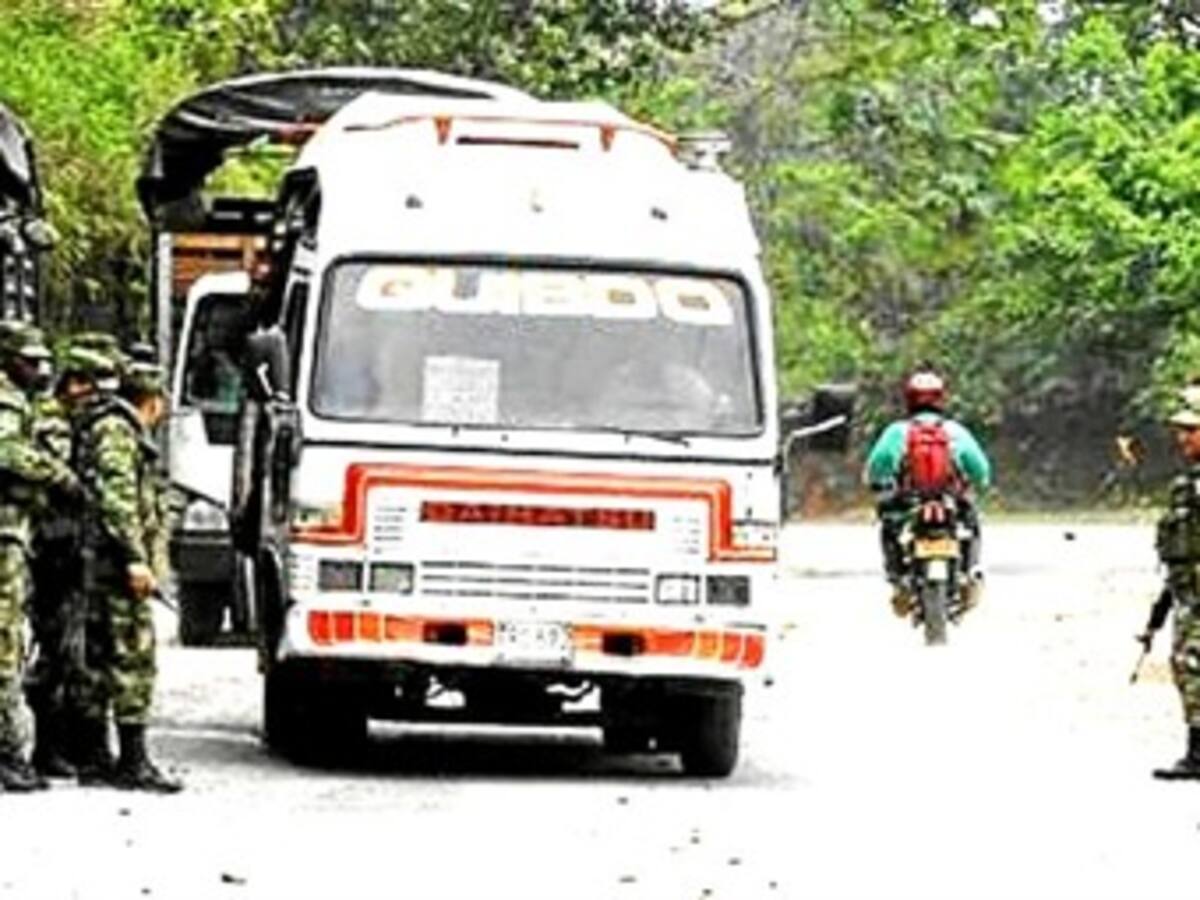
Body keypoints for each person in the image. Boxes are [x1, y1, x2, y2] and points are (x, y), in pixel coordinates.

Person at [59, 345, 180, 793]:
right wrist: (134, 557)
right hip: (113, 567)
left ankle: (95, 758)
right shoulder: (118, 432)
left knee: (97, 660)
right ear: (153, 401)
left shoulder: (109, 426)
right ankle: (129, 761)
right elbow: (117, 501)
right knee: (131, 659)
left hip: (98, 562)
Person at [0, 321, 81, 791]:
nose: (39, 370)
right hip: (6, 534)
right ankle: (9, 753)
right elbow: (8, 451)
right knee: (6, 642)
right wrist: (59, 476)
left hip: (17, 533)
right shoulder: (8, 401)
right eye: (31, 361)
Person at [863, 370, 992, 615]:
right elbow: (981, 471)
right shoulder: (957, 432)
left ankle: (897, 577)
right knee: (972, 523)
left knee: (888, 527)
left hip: (908, 502)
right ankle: (970, 571)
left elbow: (876, 469)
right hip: (951, 501)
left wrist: (876, 484)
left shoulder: (896, 432)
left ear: (909, 400)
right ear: (941, 400)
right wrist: (979, 483)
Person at [24, 363, 86, 778]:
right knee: (57, 650)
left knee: (63, 651)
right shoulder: (53, 424)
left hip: (60, 546)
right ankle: (47, 747)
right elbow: (61, 484)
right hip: (53, 550)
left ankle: (56, 747)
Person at [1147, 395, 1200, 780]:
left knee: (1191, 665)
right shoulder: (1188, 483)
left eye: (1192, 430)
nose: (1183, 438)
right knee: (1186, 665)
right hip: (1188, 591)